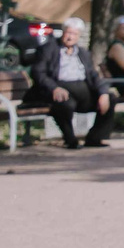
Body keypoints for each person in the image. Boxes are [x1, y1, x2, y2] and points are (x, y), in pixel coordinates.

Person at [30, 16, 114, 149]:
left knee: (110, 98)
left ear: (79, 36)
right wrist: (54, 88)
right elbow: (38, 73)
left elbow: (93, 75)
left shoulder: (83, 53)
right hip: (59, 88)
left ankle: (95, 138)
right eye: (68, 33)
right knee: (64, 103)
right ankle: (70, 139)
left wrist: (103, 93)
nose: (70, 37)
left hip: (82, 91)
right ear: (63, 32)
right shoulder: (48, 49)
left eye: (74, 34)